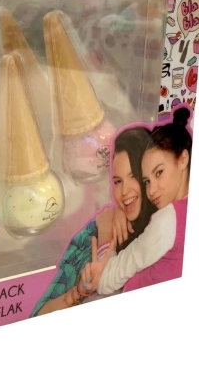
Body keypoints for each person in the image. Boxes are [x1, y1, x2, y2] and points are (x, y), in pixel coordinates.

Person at [32, 126, 157, 316]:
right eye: (118, 181)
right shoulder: (93, 236)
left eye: (134, 176)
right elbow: (40, 314)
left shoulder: (167, 224)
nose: (124, 191)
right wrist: (79, 293)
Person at [79, 106, 192, 296]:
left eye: (159, 172)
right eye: (147, 181)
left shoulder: (168, 220)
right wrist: (117, 210)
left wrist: (106, 230)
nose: (152, 190)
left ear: (183, 159)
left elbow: (105, 280)